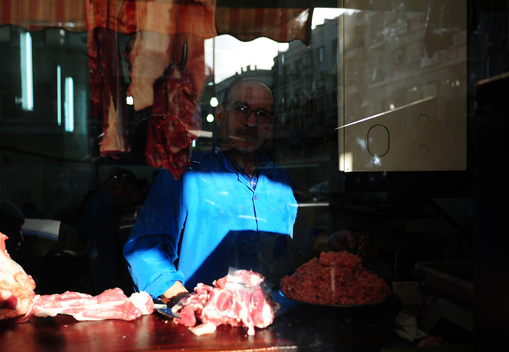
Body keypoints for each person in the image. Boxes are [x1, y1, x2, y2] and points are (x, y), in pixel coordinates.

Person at [124, 78, 372, 302]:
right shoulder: (185, 175)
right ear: (220, 115)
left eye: (262, 115)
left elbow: (295, 237)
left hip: (272, 318)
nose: (251, 122)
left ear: (270, 127)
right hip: (207, 322)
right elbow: (144, 250)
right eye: (241, 109)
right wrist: (185, 302)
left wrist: (331, 240)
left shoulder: (280, 182)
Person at [78, 168, 143, 295]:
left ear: (130, 187)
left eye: (115, 189)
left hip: (142, 278)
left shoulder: (147, 211)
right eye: (110, 190)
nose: (112, 195)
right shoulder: (115, 211)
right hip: (121, 278)